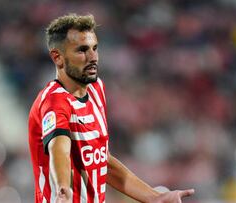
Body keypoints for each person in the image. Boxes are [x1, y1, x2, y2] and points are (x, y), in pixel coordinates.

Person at [28, 13, 194, 203]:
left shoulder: (97, 89)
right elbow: (60, 148)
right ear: (58, 57)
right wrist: (63, 189)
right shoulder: (54, 101)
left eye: (94, 48)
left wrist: (156, 197)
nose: (93, 57)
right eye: (82, 50)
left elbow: (101, 161)